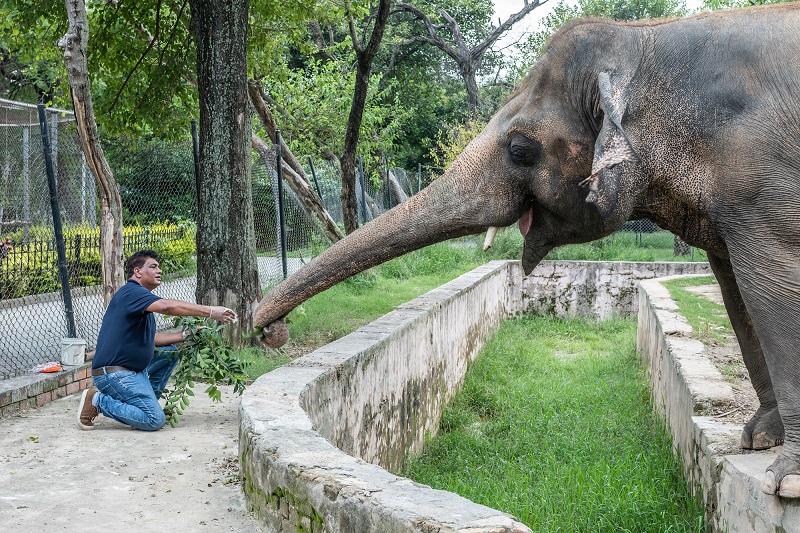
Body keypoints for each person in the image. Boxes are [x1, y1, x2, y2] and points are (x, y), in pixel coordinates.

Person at [77, 249, 237, 431]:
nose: (159, 270)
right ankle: (97, 400)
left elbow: (151, 339)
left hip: (132, 371)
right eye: (153, 267)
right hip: (115, 374)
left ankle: (145, 402)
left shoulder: (141, 299)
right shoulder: (131, 292)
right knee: (154, 420)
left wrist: (185, 336)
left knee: (169, 353)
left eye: (159, 267)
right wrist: (210, 312)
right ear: (137, 272)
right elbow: (167, 307)